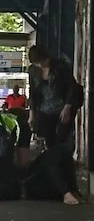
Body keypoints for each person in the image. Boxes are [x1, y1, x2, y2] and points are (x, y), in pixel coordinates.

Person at [27, 45, 83, 205]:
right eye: (38, 63)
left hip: (62, 112)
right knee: (54, 151)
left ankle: (68, 190)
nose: (41, 65)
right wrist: (32, 114)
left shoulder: (60, 67)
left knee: (62, 151)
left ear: (47, 57)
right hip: (45, 114)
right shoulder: (34, 71)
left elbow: (72, 88)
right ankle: (66, 190)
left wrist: (68, 107)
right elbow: (34, 94)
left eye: (42, 62)